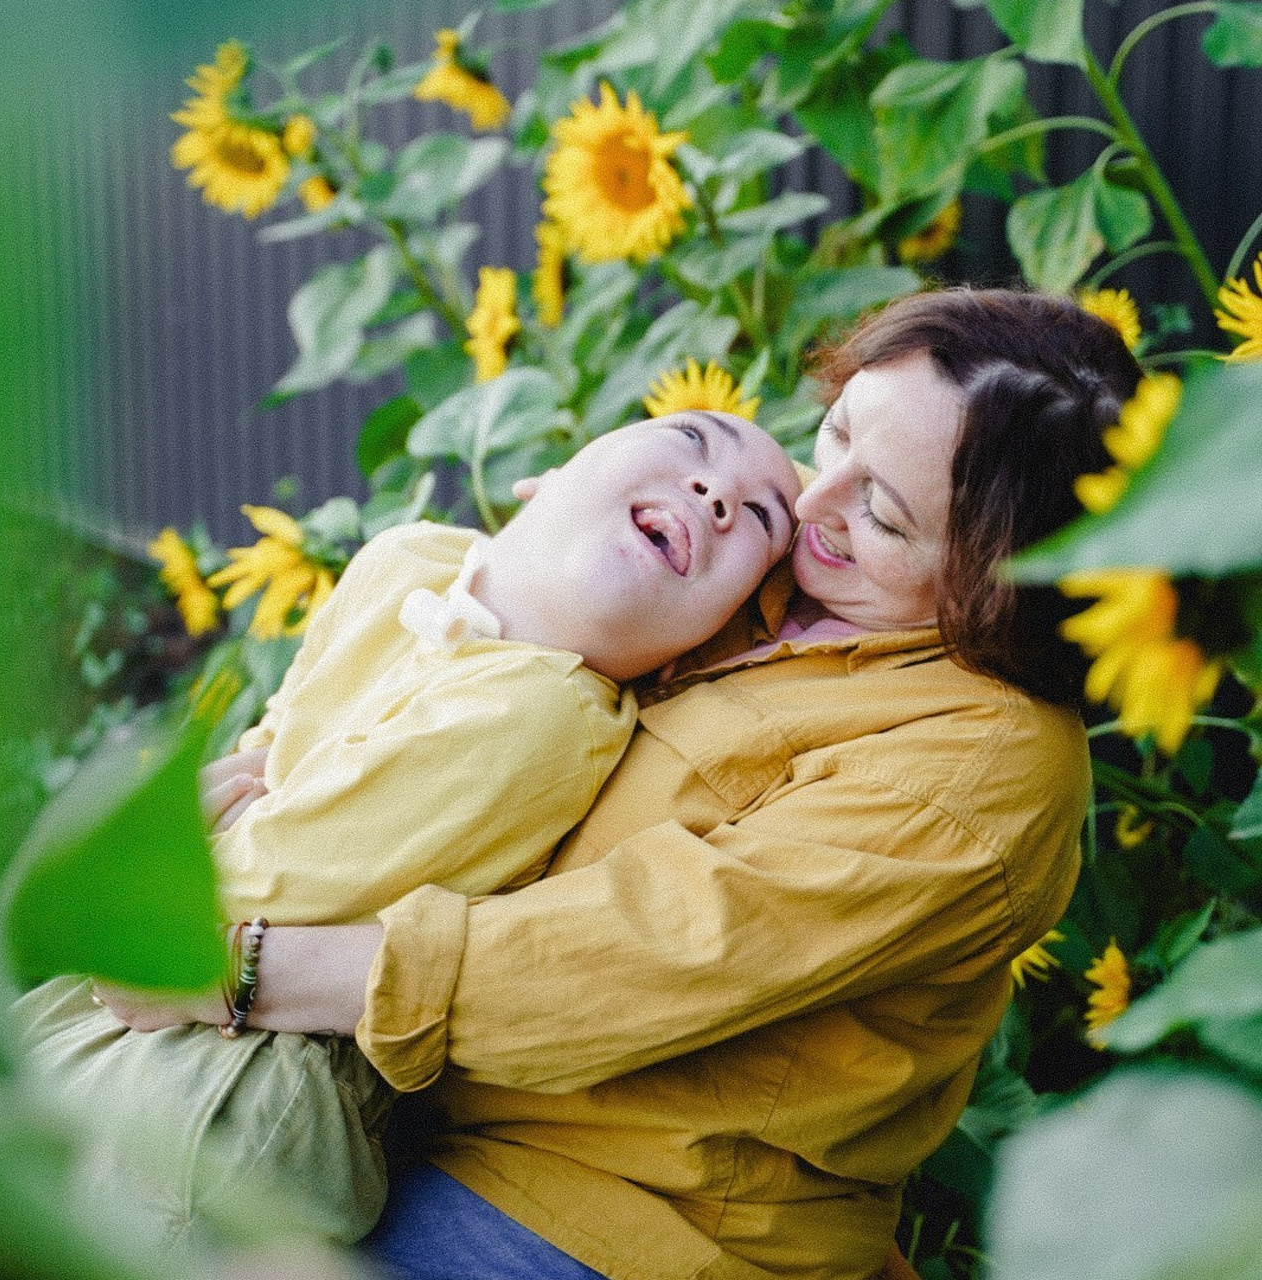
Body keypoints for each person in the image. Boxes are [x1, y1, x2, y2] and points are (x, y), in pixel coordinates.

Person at [99, 287, 1144, 1280]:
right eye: (835, 429)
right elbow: (469, 641)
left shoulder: (980, 770)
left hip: (615, 1210)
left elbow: (638, 951)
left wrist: (231, 968)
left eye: (879, 508)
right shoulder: (773, 531)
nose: (807, 493)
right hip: (391, 1100)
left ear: (997, 586)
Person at [14, 410, 803, 1253]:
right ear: (549, 473)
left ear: (688, 654)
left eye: (760, 517)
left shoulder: (549, 713)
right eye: (694, 440)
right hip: (156, 989)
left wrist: (155, 857)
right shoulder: (408, 559)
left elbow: (290, 878)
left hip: (234, 1089)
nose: (717, 493)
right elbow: (274, 742)